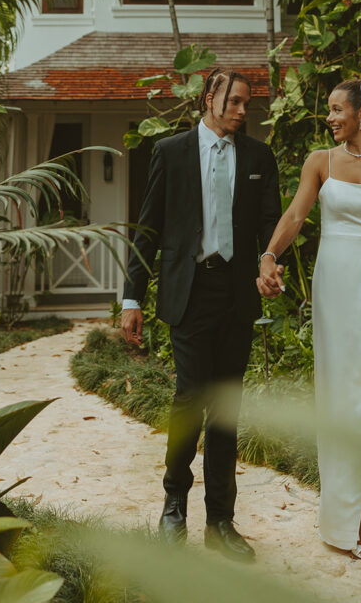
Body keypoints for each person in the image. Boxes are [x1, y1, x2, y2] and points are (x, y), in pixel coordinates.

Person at [121, 68, 281, 562]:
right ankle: (174, 507)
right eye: (233, 101)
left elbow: (271, 220)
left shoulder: (258, 156)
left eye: (246, 104)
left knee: (226, 408)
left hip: (236, 294)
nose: (240, 111)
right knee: (190, 399)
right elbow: (147, 228)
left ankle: (221, 521)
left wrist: (270, 260)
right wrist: (132, 299)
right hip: (188, 293)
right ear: (209, 98)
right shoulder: (170, 152)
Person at [257, 75, 361, 561]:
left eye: (336, 110)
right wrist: (268, 255)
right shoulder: (320, 162)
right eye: (328, 110)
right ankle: (354, 516)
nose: (328, 118)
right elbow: (294, 217)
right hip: (337, 286)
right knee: (346, 399)